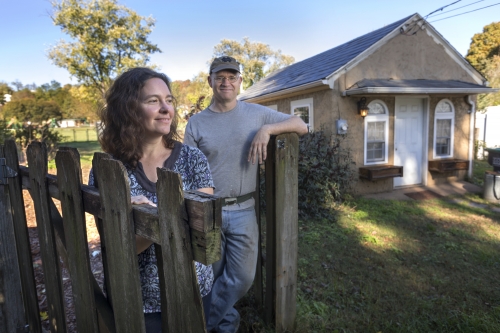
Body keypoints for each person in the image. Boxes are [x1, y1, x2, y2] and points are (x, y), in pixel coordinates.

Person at [184, 56, 308, 332]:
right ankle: (225, 326)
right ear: (210, 81)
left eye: (232, 77)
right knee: (212, 278)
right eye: (220, 77)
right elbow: (187, 169)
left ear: (240, 82)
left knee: (241, 278)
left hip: (243, 210)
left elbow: (302, 125)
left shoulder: (257, 114)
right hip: (207, 211)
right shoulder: (196, 124)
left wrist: (268, 129)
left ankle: (201, 324)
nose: (226, 82)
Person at [88, 67, 215, 333]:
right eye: (153, 101)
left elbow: (201, 230)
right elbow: (118, 246)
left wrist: (141, 219)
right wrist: (138, 220)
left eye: (169, 100)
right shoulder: (108, 169)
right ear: (128, 109)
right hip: (138, 302)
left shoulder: (193, 160)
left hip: (193, 291)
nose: (166, 108)